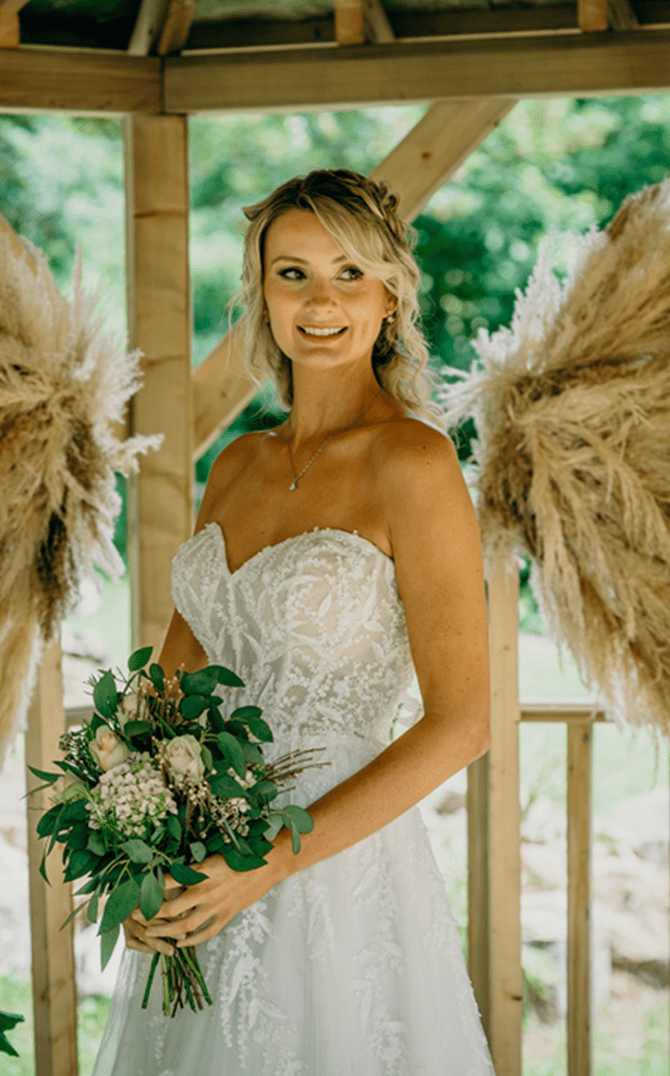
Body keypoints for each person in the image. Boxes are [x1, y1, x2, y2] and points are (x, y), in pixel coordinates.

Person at [92, 169, 494, 1076]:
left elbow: (463, 723)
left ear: (392, 294)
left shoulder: (415, 462)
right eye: (294, 274)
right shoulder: (234, 464)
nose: (322, 302)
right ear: (262, 293)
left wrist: (269, 864)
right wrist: (134, 834)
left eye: (351, 274)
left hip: (331, 871)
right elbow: (171, 686)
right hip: (201, 866)